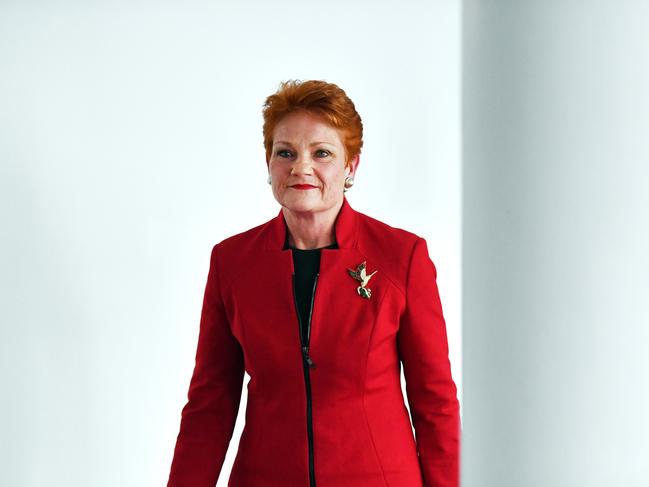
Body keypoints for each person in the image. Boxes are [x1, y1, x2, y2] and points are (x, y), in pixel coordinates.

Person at [166, 79, 460, 487]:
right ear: (268, 163)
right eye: (285, 153)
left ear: (350, 166)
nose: (300, 167)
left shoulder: (402, 257)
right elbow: (209, 405)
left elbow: (436, 403)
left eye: (321, 153)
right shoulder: (231, 262)